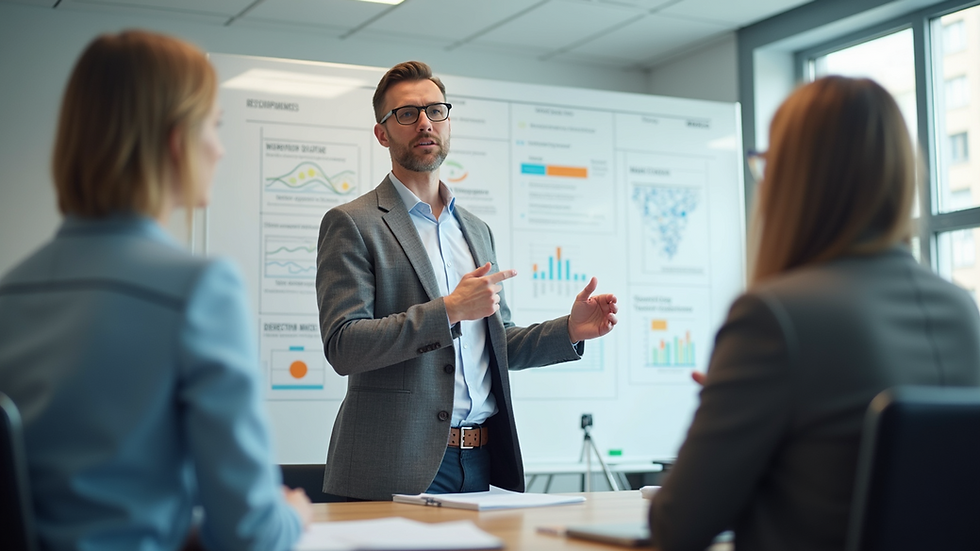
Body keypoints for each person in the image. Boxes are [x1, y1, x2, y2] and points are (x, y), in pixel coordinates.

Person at [0, 30, 312, 551]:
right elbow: (250, 536)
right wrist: (293, 517)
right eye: (213, 126)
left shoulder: (10, 293)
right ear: (176, 141)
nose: (220, 148)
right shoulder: (198, 288)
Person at [648, 76, 980, 551]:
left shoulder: (775, 317)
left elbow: (678, 527)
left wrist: (720, 417)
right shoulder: (960, 308)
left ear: (793, 178)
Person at [315, 61, 618, 501]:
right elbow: (344, 345)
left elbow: (498, 343)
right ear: (382, 133)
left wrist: (569, 330)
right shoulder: (353, 223)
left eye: (435, 110)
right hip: (394, 464)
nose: (424, 123)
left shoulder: (475, 231)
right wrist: (449, 310)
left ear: (448, 121)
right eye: (406, 113)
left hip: (480, 460)